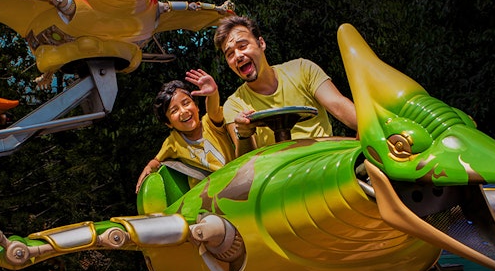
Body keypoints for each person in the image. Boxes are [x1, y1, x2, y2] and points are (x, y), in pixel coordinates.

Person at [215, 15, 357, 155]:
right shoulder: (234, 105)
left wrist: (370, 126)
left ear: (261, 43)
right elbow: (246, 163)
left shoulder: (302, 69)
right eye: (230, 54)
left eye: (243, 46)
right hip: (280, 174)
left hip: (326, 161)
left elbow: (338, 105)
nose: (238, 56)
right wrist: (244, 135)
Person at [136, 69, 235, 192]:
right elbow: (157, 160)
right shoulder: (173, 142)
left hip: (234, 183)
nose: (183, 111)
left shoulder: (210, 123)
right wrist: (149, 167)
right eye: (174, 111)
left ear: (197, 106)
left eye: (186, 103)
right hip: (206, 196)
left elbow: (213, 110)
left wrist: (213, 93)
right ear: (168, 123)